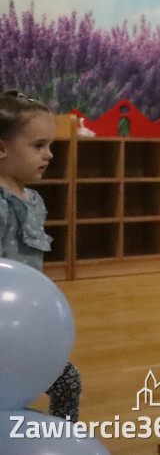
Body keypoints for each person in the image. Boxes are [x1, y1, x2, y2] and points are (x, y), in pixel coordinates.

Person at [0, 90, 82, 423]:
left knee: (68, 382)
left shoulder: (34, 201)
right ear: (2, 148)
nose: (48, 155)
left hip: (26, 330)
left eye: (51, 146)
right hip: (4, 330)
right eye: (38, 146)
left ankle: (61, 441)